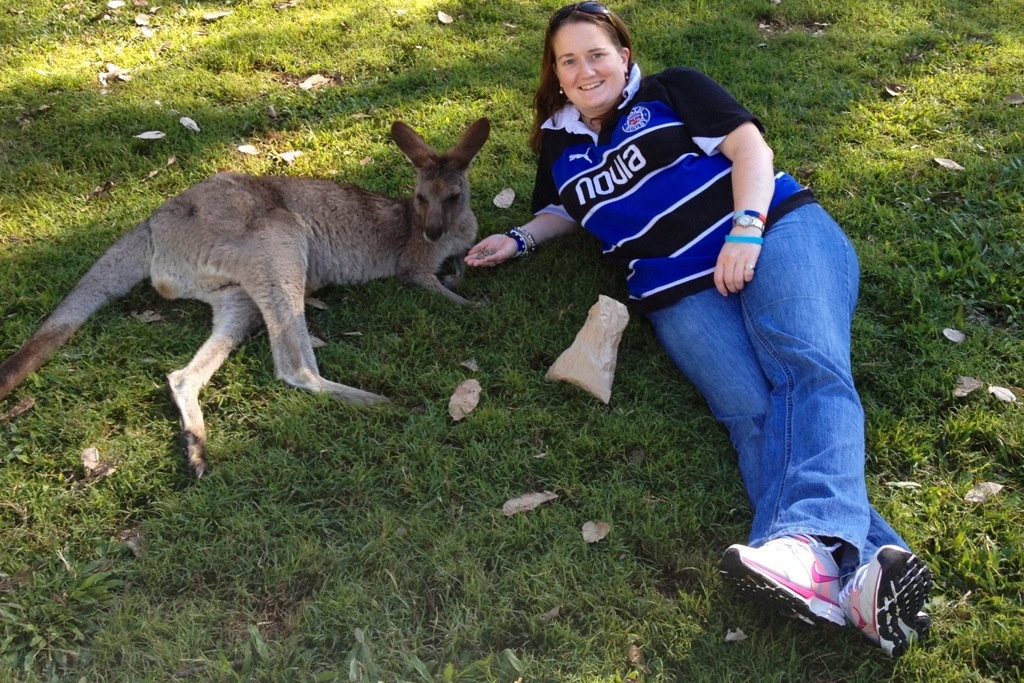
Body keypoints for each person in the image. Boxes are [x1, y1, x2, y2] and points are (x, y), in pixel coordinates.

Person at [465, 2, 933, 657]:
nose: (584, 70)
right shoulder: (558, 146)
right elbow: (563, 211)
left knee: (805, 369)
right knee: (751, 415)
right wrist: (518, 238)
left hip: (774, 232)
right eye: (568, 61)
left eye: (596, 53)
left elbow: (750, 149)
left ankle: (803, 550)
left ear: (623, 56)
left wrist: (746, 229)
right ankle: (866, 585)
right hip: (678, 292)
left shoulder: (671, 90)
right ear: (556, 74)